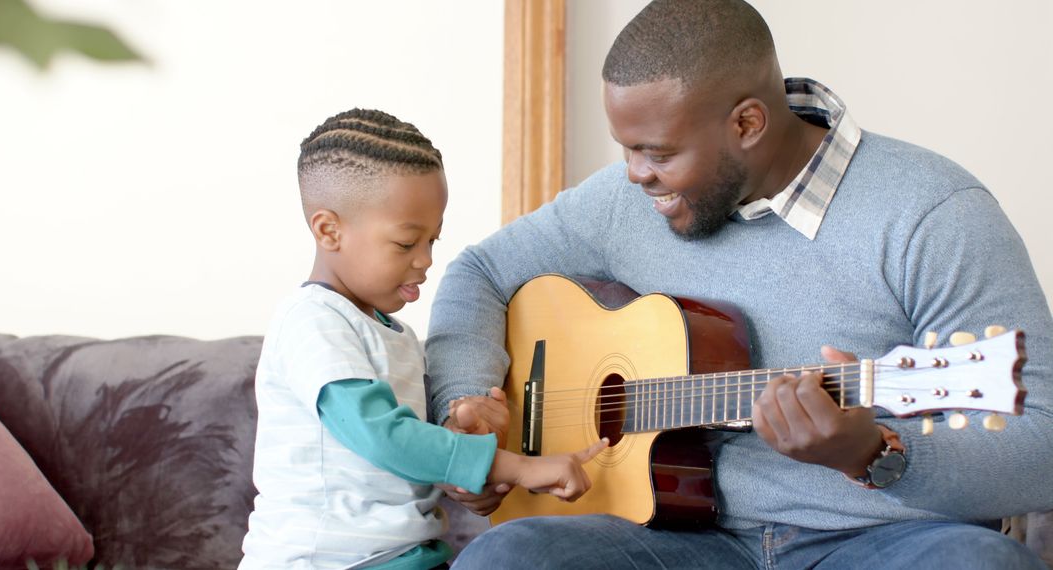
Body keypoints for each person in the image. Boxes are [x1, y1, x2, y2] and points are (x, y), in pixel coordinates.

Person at [425, 1, 1053, 568]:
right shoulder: (626, 200)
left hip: (877, 544)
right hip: (682, 543)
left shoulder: (932, 212)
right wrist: (469, 405)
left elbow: (1041, 444)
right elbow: (479, 272)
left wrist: (874, 453)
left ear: (748, 123)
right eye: (627, 149)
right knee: (508, 559)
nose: (635, 175)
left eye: (659, 153)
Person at [238, 108, 608, 570]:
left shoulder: (400, 336)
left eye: (433, 240)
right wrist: (520, 467)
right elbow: (387, 439)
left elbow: (422, 455)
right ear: (329, 230)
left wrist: (466, 428)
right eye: (406, 243)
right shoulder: (312, 322)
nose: (425, 261)